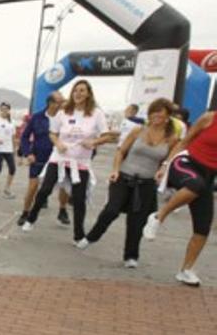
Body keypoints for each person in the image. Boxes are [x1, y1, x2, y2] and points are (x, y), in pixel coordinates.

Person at [75, 99, 178, 267]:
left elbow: (169, 160)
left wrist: (163, 170)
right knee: (111, 210)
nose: (157, 115)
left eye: (161, 112)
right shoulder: (138, 131)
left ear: (168, 116)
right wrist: (115, 170)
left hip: (146, 183)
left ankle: (131, 256)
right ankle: (91, 237)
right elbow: (121, 151)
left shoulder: (171, 138)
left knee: (137, 220)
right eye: (154, 111)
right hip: (124, 177)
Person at [22, 80, 113, 242]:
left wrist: (94, 142)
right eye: (75, 90)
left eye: (82, 91)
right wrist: (58, 144)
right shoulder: (63, 112)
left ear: (88, 94)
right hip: (59, 159)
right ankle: (31, 218)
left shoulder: (96, 113)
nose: (78, 93)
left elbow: (107, 135)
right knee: (45, 190)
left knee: (79, 200)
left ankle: (79, 235)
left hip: (81, 162)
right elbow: (53, 133)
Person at [143, 110, 217, 286]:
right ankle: (158, 216)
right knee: (195, 185)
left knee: (203, 227)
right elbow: (184, 141)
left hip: (208, 176)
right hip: (185, 163)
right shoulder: (209, 118)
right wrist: (164, 166)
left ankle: (186, 271)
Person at [18, 92, 71, 226]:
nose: (63, 104)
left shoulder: (66, 118)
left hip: (61, 158)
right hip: (38, 158)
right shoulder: (37, 118)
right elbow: (24, 137)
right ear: (51, 103)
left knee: (64, 186)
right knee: (33, 187)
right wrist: (28, 153)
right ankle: (25, 212)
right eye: (60, 101)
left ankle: (62, 210)